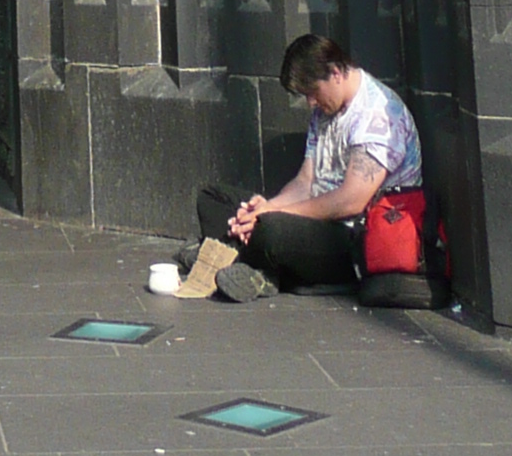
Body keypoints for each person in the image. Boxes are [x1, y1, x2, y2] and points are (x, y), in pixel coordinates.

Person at [179, 33, 422, 301]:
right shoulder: (325, 111)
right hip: (314, 217)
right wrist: (266, 207)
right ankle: (255, 267)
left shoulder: (377, 115)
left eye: (312, 92)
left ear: (335, 72)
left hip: (356, 236)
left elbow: (351, 201)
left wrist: (272, 215)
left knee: (271, 231)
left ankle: (233, 258)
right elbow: (305, 181)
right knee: (212, 198)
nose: (311, 103)